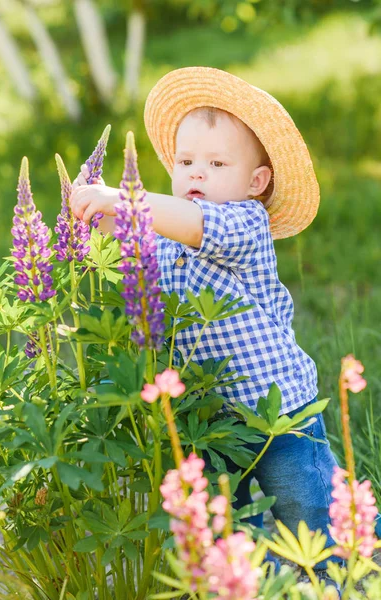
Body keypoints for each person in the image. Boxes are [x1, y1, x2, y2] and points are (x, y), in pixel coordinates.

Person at [70, 66, 345, 588]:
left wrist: (124, 201)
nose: (196, 174)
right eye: (186, 161)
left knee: (304, 502)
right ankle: (233, 583)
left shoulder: (245, 222)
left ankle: (332, 574)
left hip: (278, 410)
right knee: (222, 517)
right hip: (210, 413)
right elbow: (141, 235)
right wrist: (96, 215)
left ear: (255, 182)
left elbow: (192, 224)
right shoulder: (172, 229)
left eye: (216, 163)